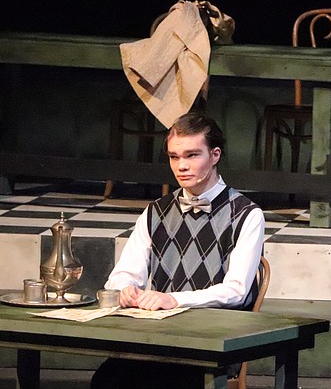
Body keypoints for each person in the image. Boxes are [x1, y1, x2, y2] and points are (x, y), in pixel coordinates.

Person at [91, 111, 266, 388]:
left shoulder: (246, 214)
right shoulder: (156, 212)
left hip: (212, 342)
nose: (181, 166)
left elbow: (236, 291)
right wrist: (126, 289)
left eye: (192, 155)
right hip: (159, 338)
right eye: (174, 157)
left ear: (215, 155)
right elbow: (122, 274)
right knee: (108, 379)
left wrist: (175, 299)